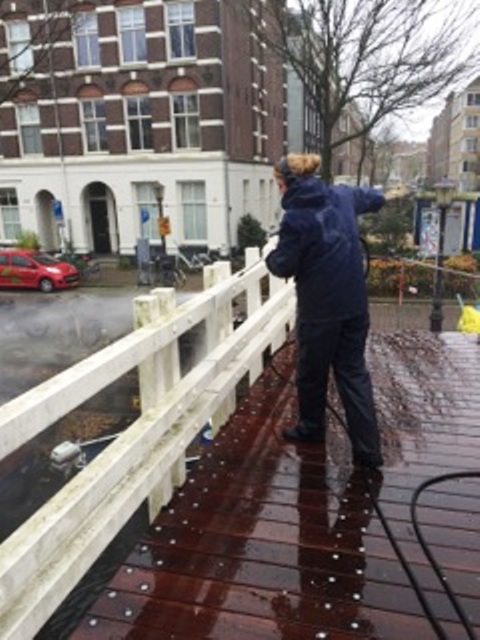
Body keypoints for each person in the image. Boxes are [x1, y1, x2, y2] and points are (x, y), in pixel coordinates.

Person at [264, 153, 385, 469]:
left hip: (320, 312)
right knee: (353, 372)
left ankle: (311, 428)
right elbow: (376, 198)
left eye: (278, 184)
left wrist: (270, 256)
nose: (279, 190)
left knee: (312, 372)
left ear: (287, 184)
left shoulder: (295, 218)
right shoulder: (342, 196)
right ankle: (368, 452)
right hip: (355, 306)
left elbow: (283, 266)